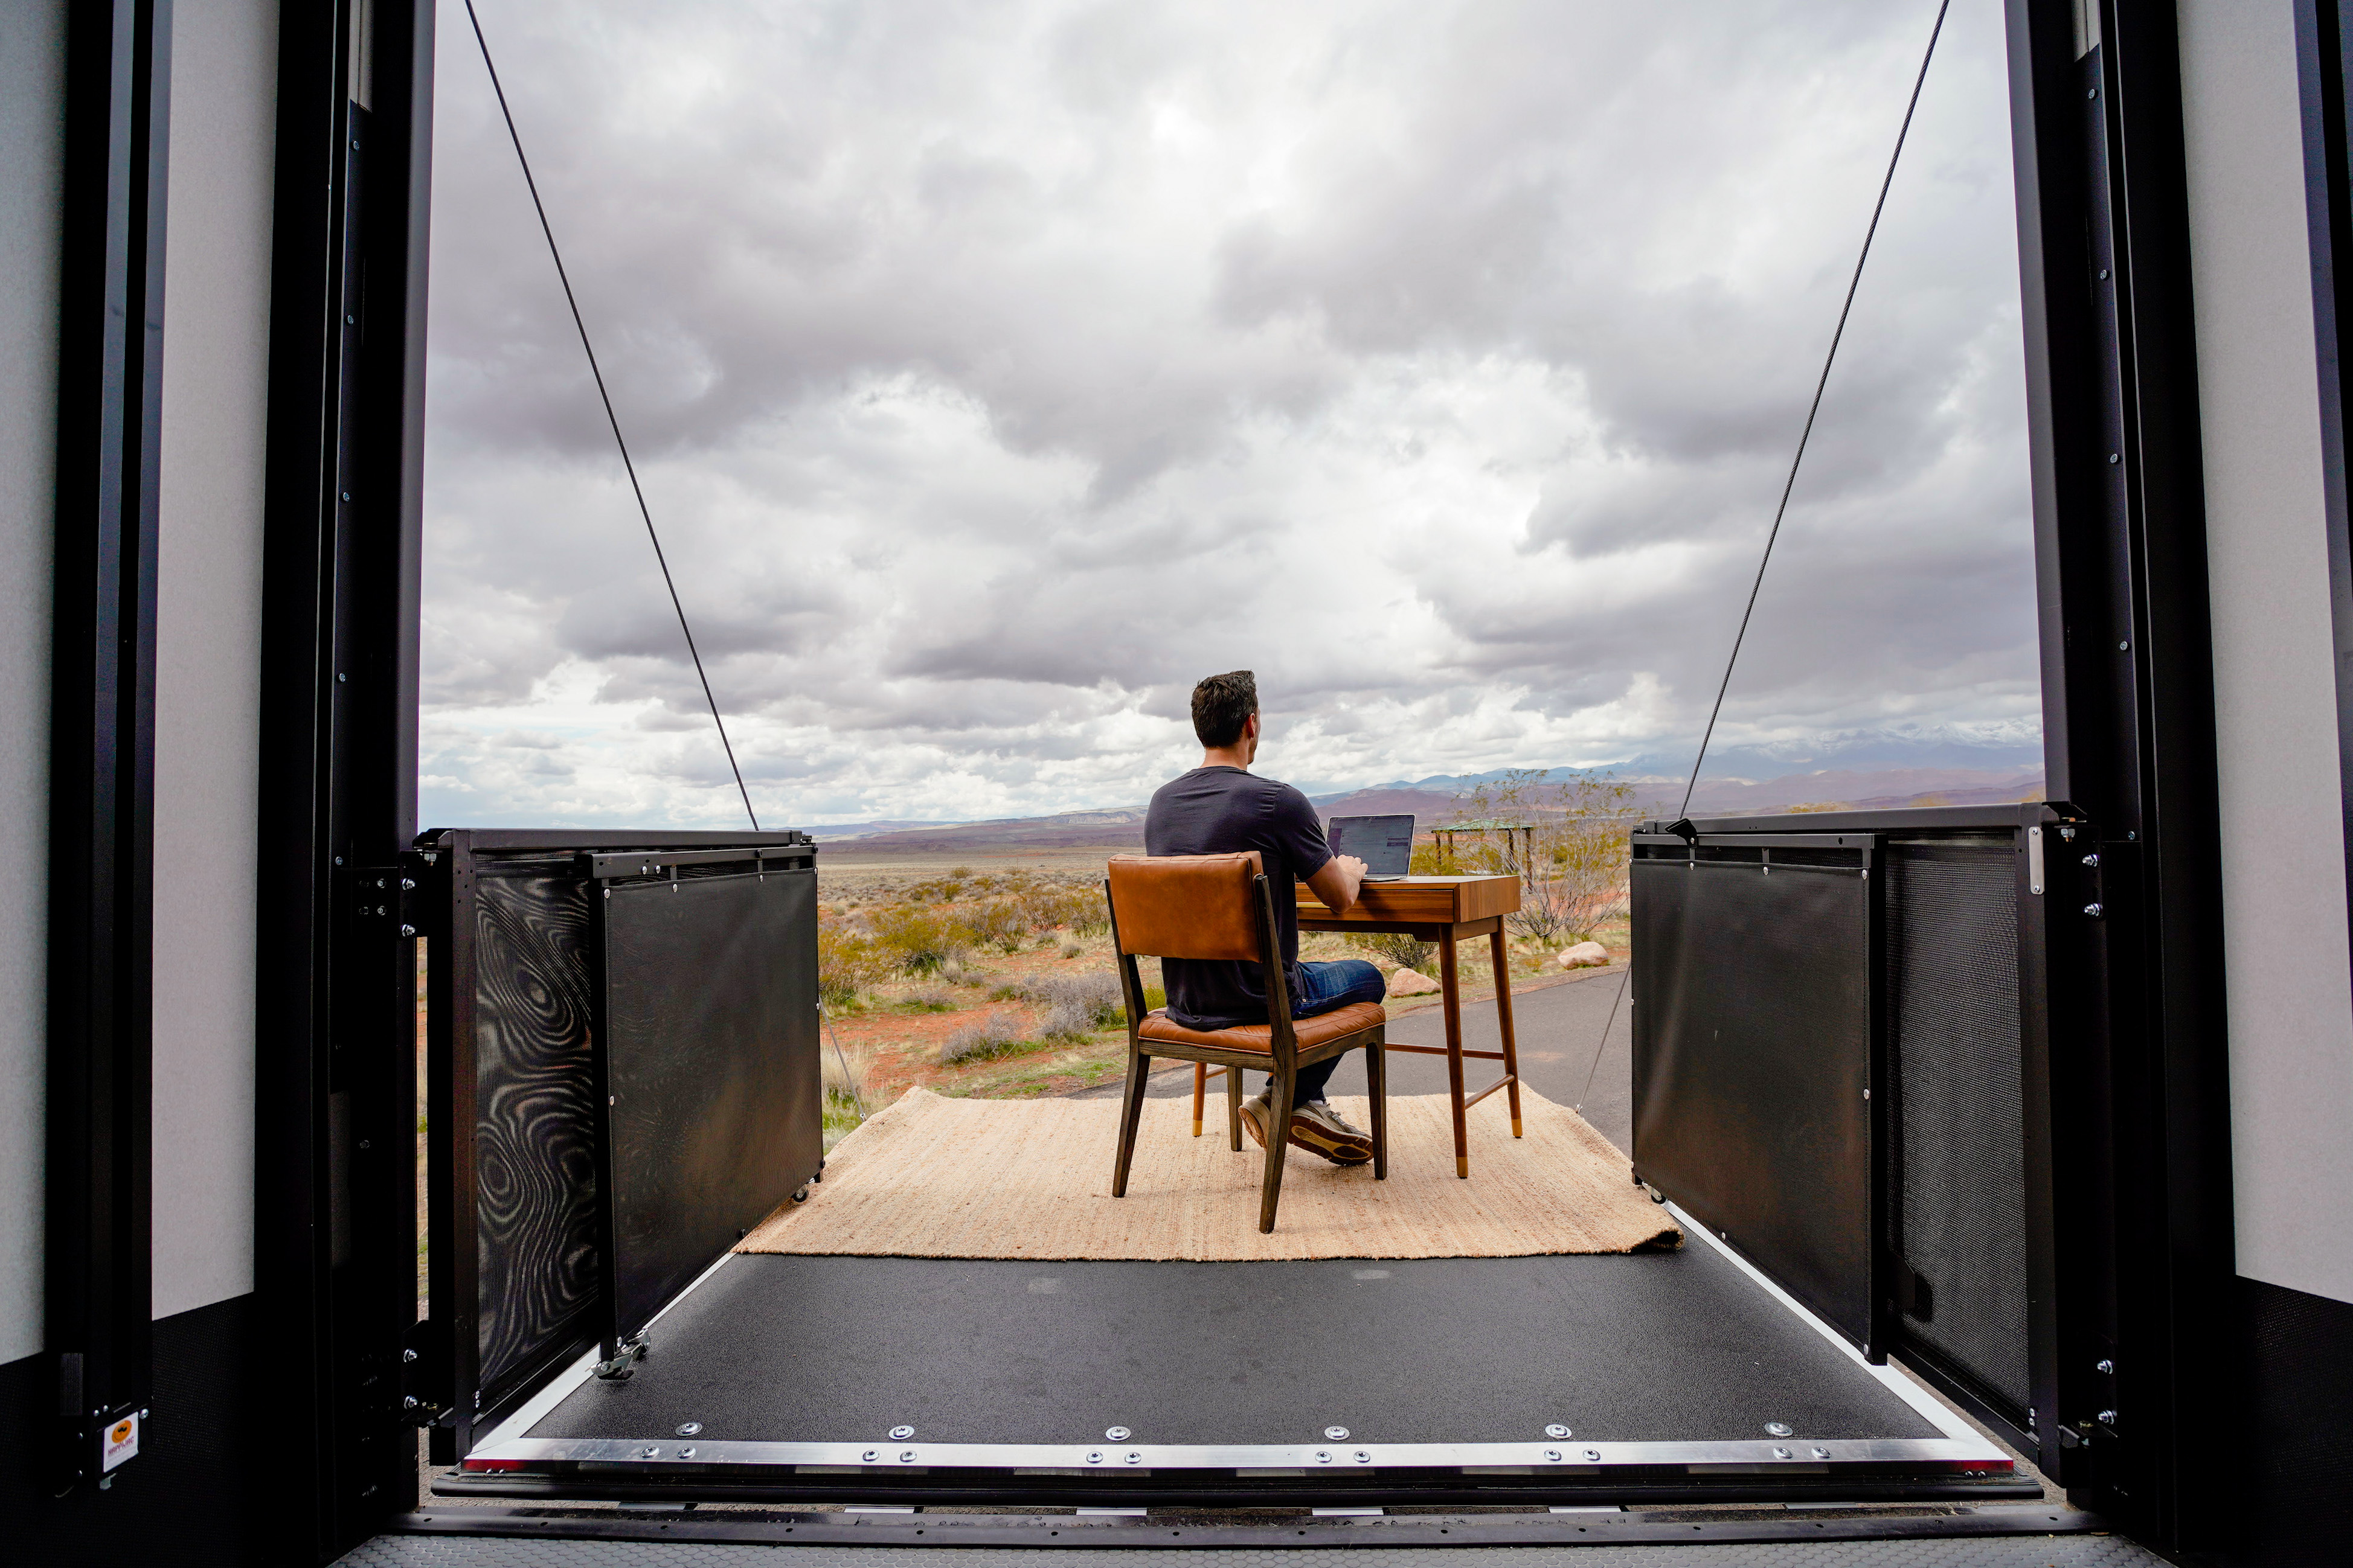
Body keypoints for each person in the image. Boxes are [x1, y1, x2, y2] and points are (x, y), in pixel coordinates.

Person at [1143, 670, 1385, 1165]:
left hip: (1185, 1002)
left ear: (1200, 727)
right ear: (1252, 725)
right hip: (1260, 1001)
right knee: (1368, 976)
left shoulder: (1160, 804)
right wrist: (1350, 871)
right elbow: (1339, 899)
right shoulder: (1279, 802)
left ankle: (1292, 1100)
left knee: (1304, 972)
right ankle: (1287, 1098)